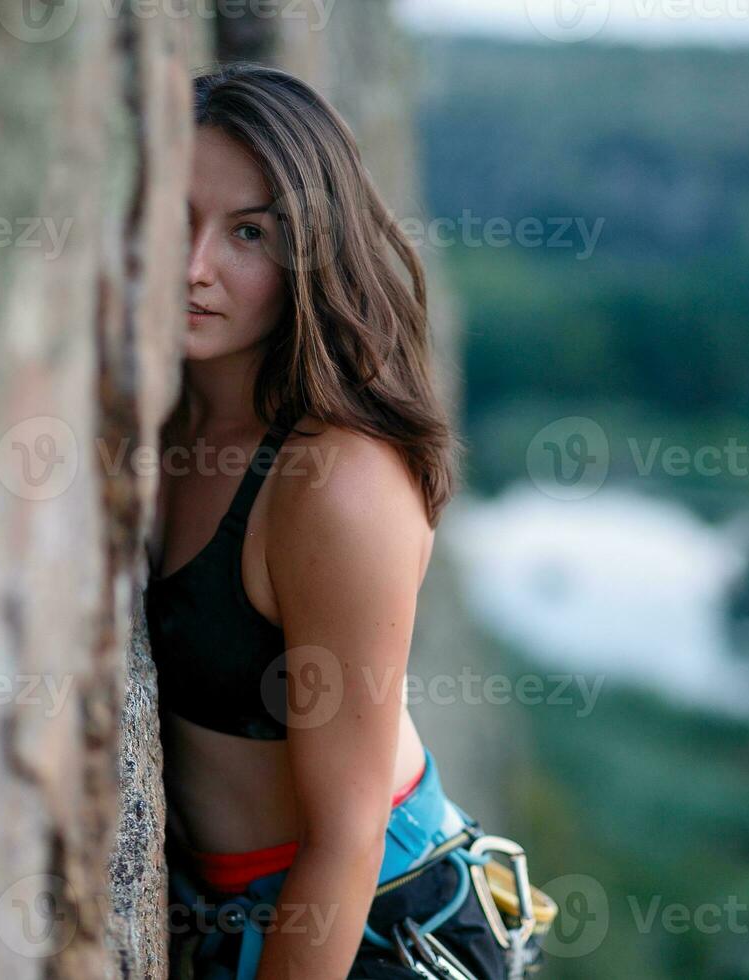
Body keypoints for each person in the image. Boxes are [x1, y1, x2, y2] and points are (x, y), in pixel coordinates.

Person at [145, 62, 540, 979]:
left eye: (250, 232)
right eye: (174, 219)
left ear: (310, 249)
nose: (194, 268)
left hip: (363, 929)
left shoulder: (335, 483)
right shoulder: (155, 416)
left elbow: (347, 836)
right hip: (225, 918)